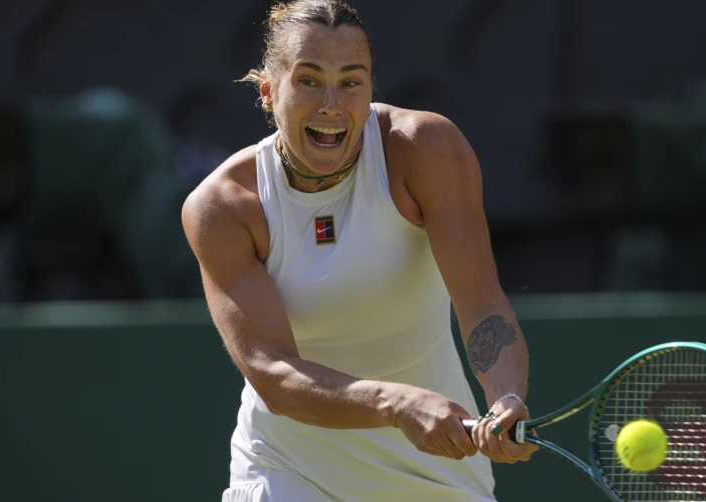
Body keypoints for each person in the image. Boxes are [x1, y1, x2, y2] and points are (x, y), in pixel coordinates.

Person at [180, 1, 537, 500]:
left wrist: (505, 397)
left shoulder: (426, 148)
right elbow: (273, 374)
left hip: (439, 474)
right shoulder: (223, 207)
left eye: (351, 82)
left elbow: (481, 304)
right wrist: (395, 404)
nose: (331, 104)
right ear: (268, 91)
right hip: (288, 472)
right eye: (308, 81)